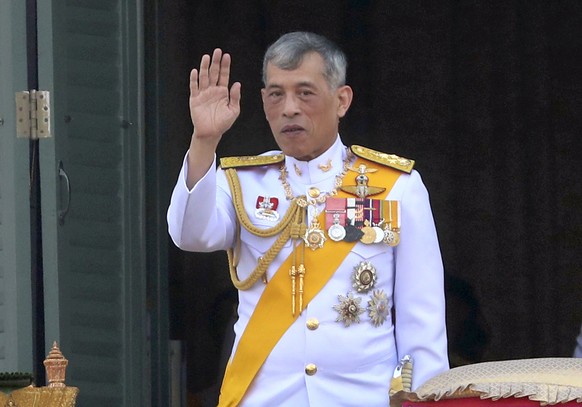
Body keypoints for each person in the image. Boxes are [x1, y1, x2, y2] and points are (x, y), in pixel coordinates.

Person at [167, 31, 449, 406]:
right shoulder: (239, 183)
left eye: (305, 92)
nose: (289, 109)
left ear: (342, 100)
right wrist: (204, 141)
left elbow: (422, 321)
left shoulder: (397, 187)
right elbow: (190, 235)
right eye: (275, 94)